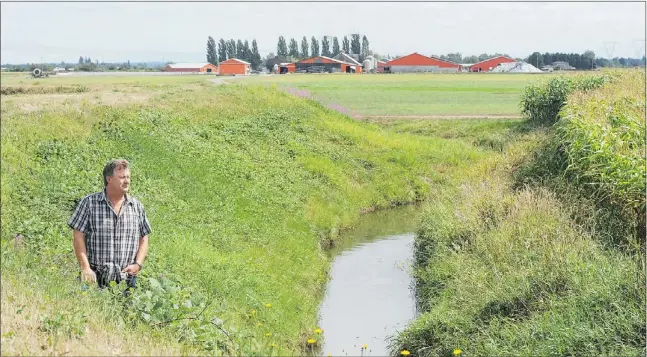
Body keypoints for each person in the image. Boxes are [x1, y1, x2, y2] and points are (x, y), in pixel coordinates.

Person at [68, 159, 151, 290]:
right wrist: (85, 267)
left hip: (126, 280)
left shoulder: (136, 207)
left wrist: (138, 264)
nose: (127, 181)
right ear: (109, 179)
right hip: (94, 278)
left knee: (125, 311)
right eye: (122, 177)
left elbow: (144, 238)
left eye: (128, 177)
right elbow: (78, 236)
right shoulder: (89, 203)